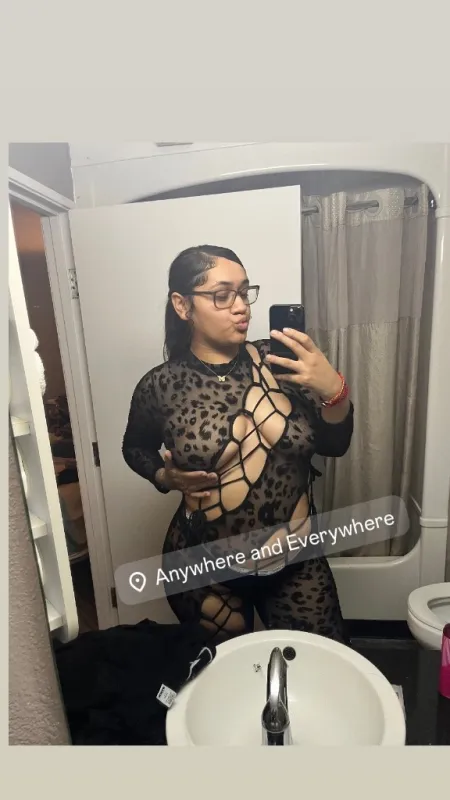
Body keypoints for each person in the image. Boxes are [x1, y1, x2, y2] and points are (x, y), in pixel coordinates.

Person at [122, 245, 354, 645]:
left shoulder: (283, 364)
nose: (241, 306)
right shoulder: (160, 385)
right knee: (225, 671)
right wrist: (164, 476)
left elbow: (335, 446)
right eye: (222, 295)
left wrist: (335, 391)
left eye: (245, 292)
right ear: (182, 305)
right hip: (203, 568)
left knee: (320, 661)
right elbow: (134, 448)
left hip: (296, 561)